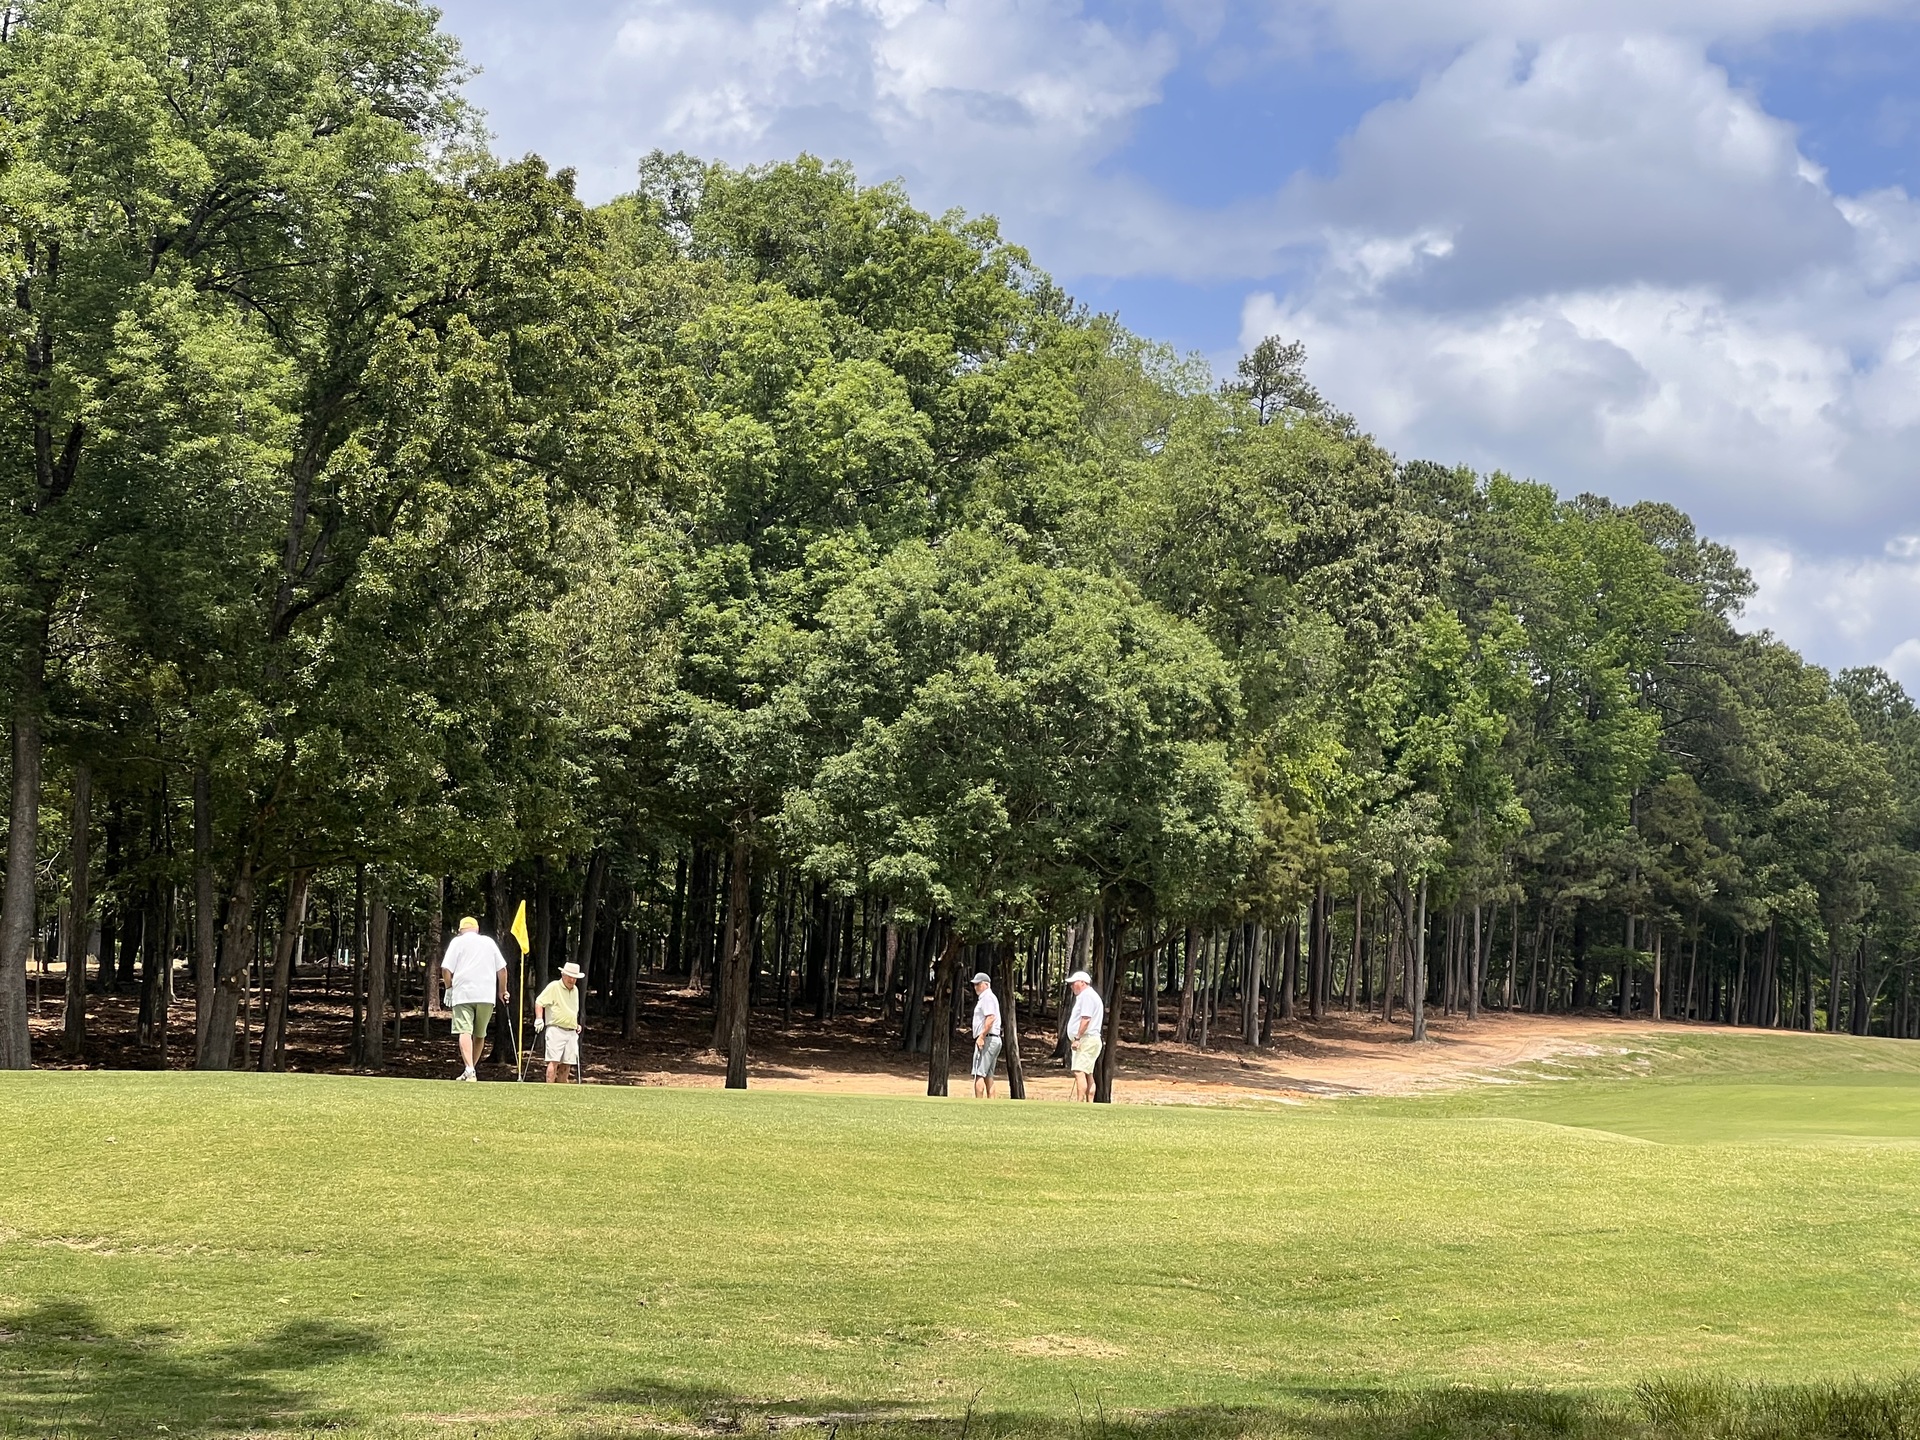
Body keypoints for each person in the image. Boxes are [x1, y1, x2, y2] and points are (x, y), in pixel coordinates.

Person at [440, 916, 508, 1082]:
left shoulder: (457, 942)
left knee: (464, 1030)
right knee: (480, 1034)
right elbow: (503, 970)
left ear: (460, 930)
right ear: (477, 929)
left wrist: (449, 988)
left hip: (463, 993)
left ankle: (470, 1069)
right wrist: (502, 991)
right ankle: (470, 1069)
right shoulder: (489, 942)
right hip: (486, 995)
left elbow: (445, 969)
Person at [534, 961, 585, 1083]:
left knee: (567, 1063)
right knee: (554, 1061)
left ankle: (561, 1092)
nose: (572, 980)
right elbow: (539, 1002)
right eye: (570, 977)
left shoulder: (575, 990)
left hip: (571, 1031)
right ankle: (550, 1090)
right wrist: (539, 1019)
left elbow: (572, 1010)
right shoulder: (554, 986)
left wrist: (575, 1024)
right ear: (563, 974)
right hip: (556, 1029)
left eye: (575, 978)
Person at [1065, 968, 1104, 1102]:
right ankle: (1089, 1102)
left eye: (1073, 983)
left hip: (1086, 1039)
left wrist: (1077, 1038)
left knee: (1079, 1071)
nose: (1071, 986)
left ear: (1082, 982)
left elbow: (1086, 1019)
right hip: (1092, 1039)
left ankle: (1079, 1102)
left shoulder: (1086, 996)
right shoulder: (1091, 995)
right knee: (1088, 1073)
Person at [969, 971, 1003, 1098]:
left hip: (988, 1039)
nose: (975, 987)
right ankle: (990, 1103)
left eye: (978, 984)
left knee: (979, 1073)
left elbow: (990, 1018)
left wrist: (981, 1037)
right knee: (989, 1075)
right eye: (975, 984)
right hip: (994, 1039)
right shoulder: (989, 997)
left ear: (986, 985)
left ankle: (979, 1104)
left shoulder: (987, 997)